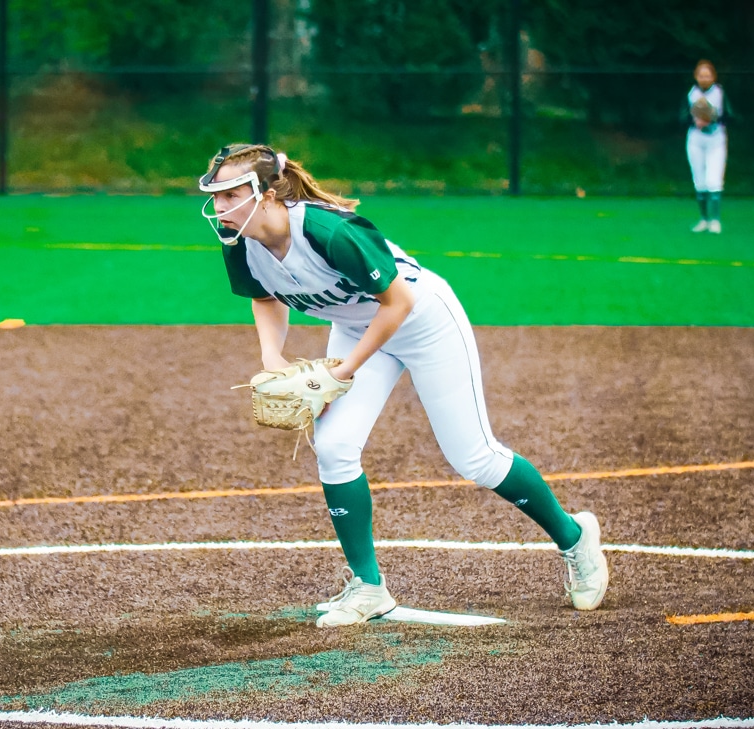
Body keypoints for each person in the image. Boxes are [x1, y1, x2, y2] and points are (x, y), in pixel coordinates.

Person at [198, 144, 609, 627]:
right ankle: (368, 587)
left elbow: (398, 303)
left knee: (474, 457)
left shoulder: (328, 231)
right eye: (215, 196)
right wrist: (272, 358)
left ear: (267, 194)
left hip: (423, 322)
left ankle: (574, 538)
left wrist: (343, 371)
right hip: (358, 328)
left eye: (231, 195)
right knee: (334, 446)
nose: (219, 207)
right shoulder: (239, 239)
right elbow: (265, 298)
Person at [682, 60, 733, 234]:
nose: (704, 78)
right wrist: (695, 121)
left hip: (715, 139)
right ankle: (704, 220)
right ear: (696, 76)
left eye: (707, 75)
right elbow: (682, 116)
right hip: (696, 139)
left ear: (713, 77)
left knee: (714, 180)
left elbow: (730, 116)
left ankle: (715, 220)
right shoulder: (692, 93)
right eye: (701, 75)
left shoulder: (719, 93)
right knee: (700, 181)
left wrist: (711, 118)